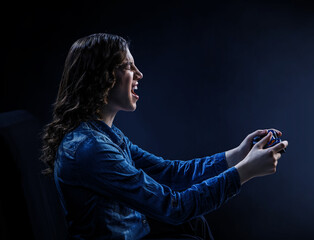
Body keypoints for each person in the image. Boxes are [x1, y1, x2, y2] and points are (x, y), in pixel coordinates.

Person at [40, 33, 288, 240]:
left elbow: (171, 173)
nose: (139, 73)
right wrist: (245, 172)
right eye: (127, 66)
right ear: (100, 76)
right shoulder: (90, 149)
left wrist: (237, 155)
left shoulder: (105, 136)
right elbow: (173, 207)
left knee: (194, 224)